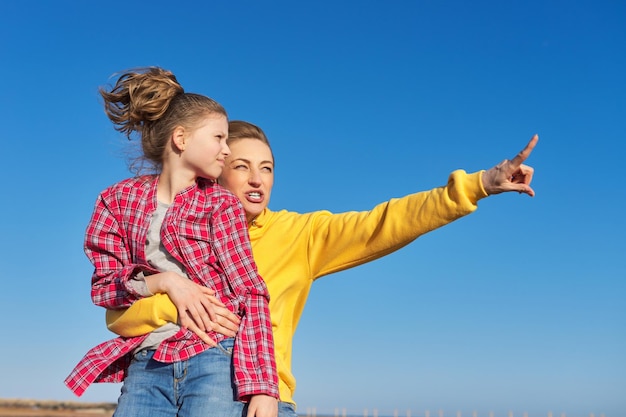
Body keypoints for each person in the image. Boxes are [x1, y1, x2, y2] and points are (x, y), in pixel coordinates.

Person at [106, 120, 538, 417]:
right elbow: (119, 314)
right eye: (241, 167)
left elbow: (383, 222)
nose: (258, 179)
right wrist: (172, 306)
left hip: (255, 398)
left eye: (267, 168)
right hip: (161, 377)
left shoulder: (300, 234)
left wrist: (479, 184)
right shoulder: (176, 232)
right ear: (214, 171)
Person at [64, 71, 279, 417]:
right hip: (147, 362)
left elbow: (251, 292)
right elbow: (104, 289)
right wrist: (166, 282)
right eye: (219, 137)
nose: (226, 149)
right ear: (181, 138)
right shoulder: (116, 201)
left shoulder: (220, 204)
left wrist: (264, 389)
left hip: (214, 354)